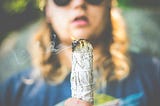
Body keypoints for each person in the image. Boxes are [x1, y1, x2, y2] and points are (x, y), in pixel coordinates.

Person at [0, 0, 160, 106]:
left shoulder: (153, 74)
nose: (79, 3)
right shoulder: (13, 92)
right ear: (48, 10)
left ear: (109, 4)